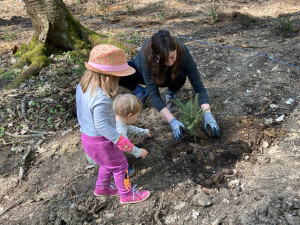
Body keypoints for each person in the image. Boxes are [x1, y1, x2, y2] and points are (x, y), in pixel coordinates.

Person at [76, 44, 150, 204]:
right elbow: (102, 125)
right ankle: (126, 194)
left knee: (107, 163)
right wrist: (118, 139)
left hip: (87, 138)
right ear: (109, 76)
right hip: (102, 141)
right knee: (121, 166)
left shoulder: (82, 87)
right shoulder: (101, 97)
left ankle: (101, 188)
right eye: (118, 77)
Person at [119, 29, 220, 140]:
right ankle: (140, 91)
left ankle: (171, 94)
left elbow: (199, 87)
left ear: (176, 50)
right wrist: (173, 121)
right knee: (119, 69)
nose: (170, 62)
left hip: (171, 76)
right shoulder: (147, 56)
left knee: (181, 75)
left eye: (172, 57)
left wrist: (207, 114)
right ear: (156, 56)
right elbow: (154, 94)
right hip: (145, 74)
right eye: (165, 60)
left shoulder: (183, 52)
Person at [113, 93, 151, 164]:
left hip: (93, 150)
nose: (137, 118)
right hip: (103, 154)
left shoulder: (117, 118)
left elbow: (130, 128)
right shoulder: (120, 130)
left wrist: (144, 132)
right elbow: (124, 145)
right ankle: (123, 170)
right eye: (137, 116)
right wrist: (138, 152)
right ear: (129, 115)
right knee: (119, 161)